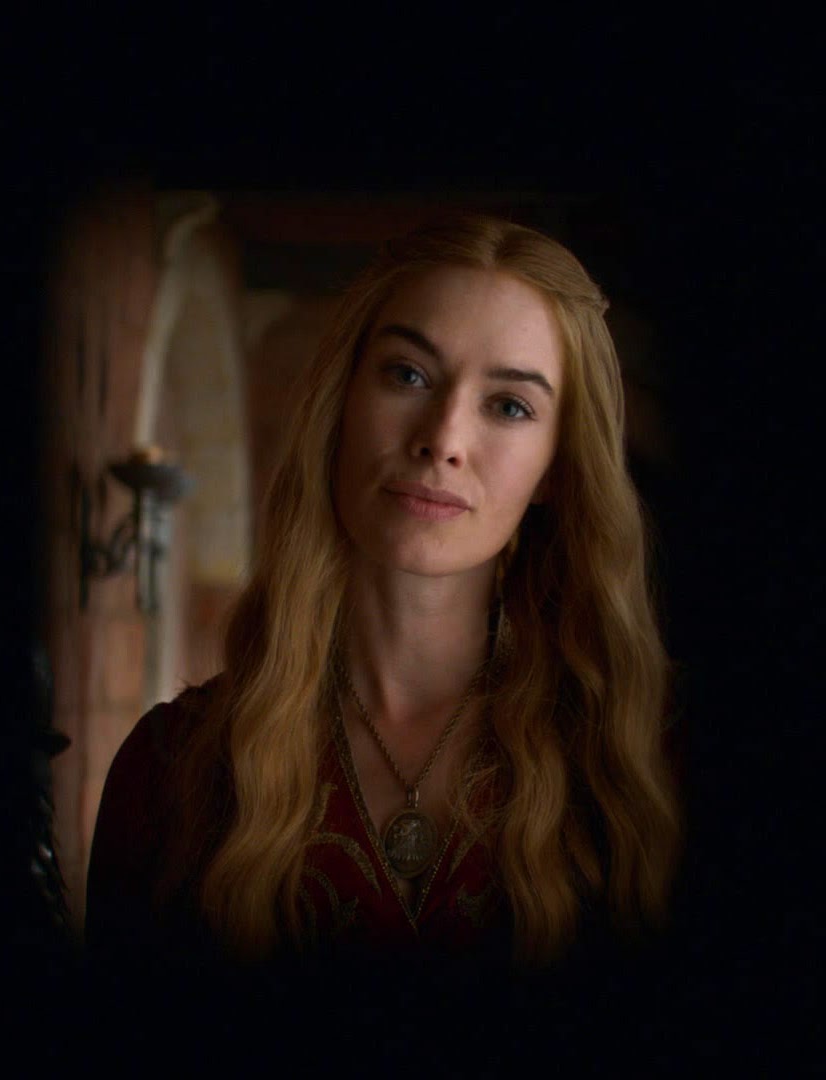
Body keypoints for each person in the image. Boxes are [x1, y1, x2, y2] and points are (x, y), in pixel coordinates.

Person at [85, 214, 682, 983]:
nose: (444, 439)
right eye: (408, 375)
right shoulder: (169, 771)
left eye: (509, 406)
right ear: (342, 402)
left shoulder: (646, 764)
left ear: (557, 468)